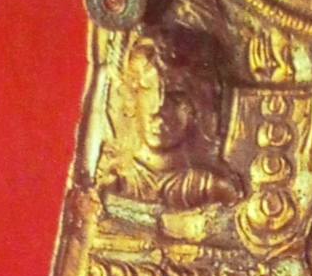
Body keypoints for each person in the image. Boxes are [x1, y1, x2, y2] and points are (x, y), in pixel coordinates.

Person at [98, 25, 243, 211]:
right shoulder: (115, 182)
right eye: (147, 89)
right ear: (131, 99)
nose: (158, 109)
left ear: (197, 108)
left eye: (175, 96)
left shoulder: (213, 188)